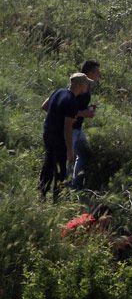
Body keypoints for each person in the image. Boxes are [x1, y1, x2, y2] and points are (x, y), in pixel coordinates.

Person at [38, 73, 89, 202]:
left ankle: (42, 194)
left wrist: (56, 116)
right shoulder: (72, 101)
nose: (88, 85)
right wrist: (70, 151)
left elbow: (44, 106)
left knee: (48, 163)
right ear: (79, 85)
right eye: (86, 83)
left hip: (48, 132)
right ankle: (57, 199)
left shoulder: (59, 91)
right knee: (60, 169)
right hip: (59, 138)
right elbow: (67, 128)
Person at [68, 60, 100, 190]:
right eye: (97, 72)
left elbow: (76, 107)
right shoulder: (78, 87)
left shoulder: (86, 86)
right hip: (70, 129)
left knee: (85, 154)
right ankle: (66, 189)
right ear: (90, 72)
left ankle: (76, 186)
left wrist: (88, 108)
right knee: (68, 159)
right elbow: (67, 109)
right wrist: (85, 113)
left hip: (78, 128)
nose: (99, 75)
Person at [62, 204, 132, 251]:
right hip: (69, 249)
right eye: (109, 218)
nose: (110, 221)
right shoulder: (91, 224)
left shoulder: (87, 217)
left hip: (67, 244)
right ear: (103, 216)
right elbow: (112, 242)